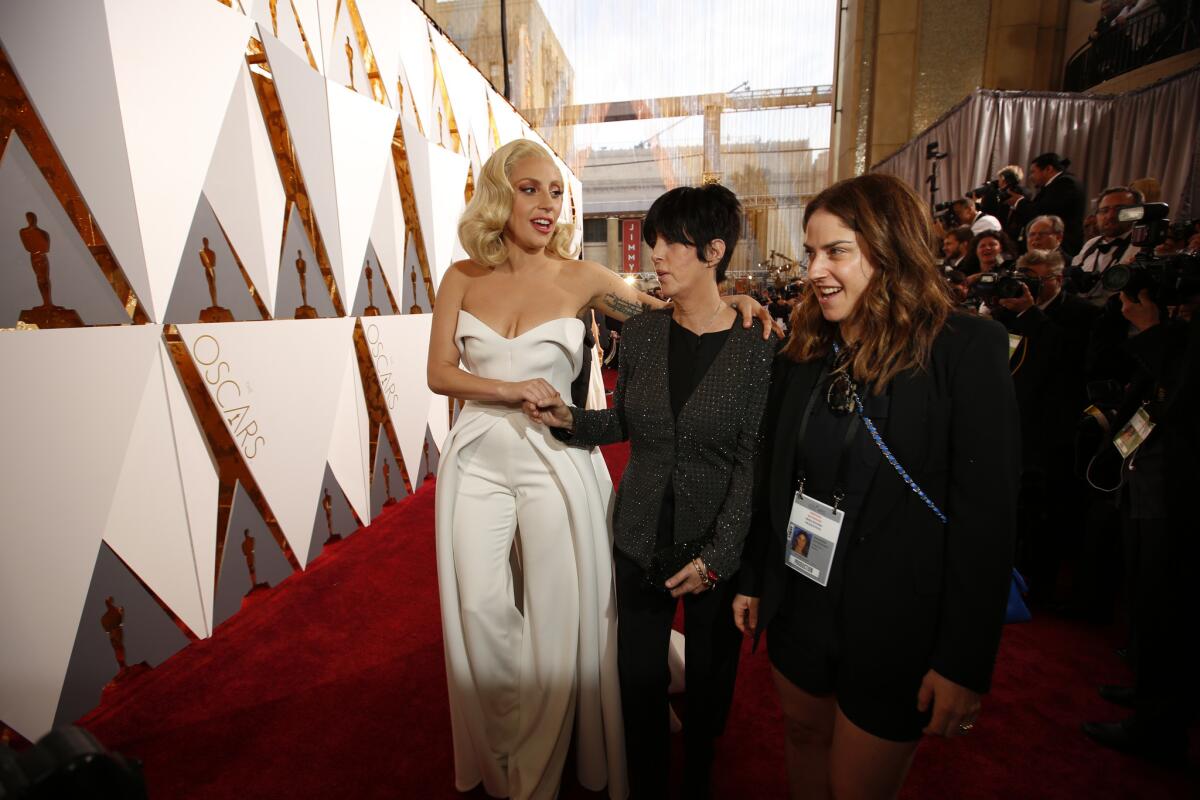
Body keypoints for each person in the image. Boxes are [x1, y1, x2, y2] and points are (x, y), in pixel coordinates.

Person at [428, 139, 770, 800]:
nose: (548, 205)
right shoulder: (461, 277)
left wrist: (743, 303)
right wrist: (512, 388)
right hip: (477, 456)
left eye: (556, 192)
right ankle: (504, 732)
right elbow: (440, 373)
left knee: (558, 613)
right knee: (479, 607)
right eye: (530, 189)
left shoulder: (583, 278)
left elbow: (674, 312)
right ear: (500, 194)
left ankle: (540, 763)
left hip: (556, 460)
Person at [734, 173, 1019, 798]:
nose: (814, 270)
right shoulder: (805, 351)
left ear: (891, 250)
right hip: (802, 603)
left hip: (897, 625)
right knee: (803, 740)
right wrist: (757, 579)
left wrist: (963, 661)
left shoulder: (965, 348)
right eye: (811, 252)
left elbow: (987, 519)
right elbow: (774, 479)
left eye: (836, 250)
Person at [526, 183, 775, 799]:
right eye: (653, 240)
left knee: (711, 688)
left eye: (670, 243)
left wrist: (717, 560)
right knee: (637, 681)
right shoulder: (639, 334)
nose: (654, 253)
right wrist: (571, 420)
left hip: (715, 544)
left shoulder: (756, 344)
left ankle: (697, 776)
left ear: (714, 250)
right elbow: (630, 423)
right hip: (638, 533)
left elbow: (751, 463)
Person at [1006, 153, 1087, 256]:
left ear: (1048, 169)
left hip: (1061, 249)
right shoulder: (1055, 185)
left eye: (1033, 172)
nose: (1031, 177)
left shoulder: (1066, 183)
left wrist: (1019, 201)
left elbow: (1043, 214)